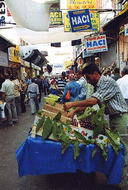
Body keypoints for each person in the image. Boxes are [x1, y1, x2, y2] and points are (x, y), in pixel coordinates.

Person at [64, 63, 128, 190]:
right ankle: (117, 181)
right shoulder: (98, 86)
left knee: (123, 151)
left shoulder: (107, 82)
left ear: (96, 74)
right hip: (114, 119)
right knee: (117, 150)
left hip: (121, 118)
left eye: (88, 77)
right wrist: (75, 111)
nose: (87, 81)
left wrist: (72, 104)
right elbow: (92, 104)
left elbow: (93, 101)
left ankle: (122, 184)